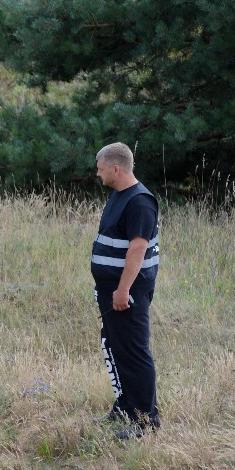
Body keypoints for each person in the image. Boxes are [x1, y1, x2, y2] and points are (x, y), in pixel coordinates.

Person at [92, 142, 161, 439]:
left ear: (116, 168)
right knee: (115, 347)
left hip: (127, 294)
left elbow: (138, 248)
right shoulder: (119, 196)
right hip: (110, 291)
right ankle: (125, 407)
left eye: (101, 168)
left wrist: (122, 291)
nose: (98, 173)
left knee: (134, 352)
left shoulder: (140, 202)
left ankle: (147, 422)